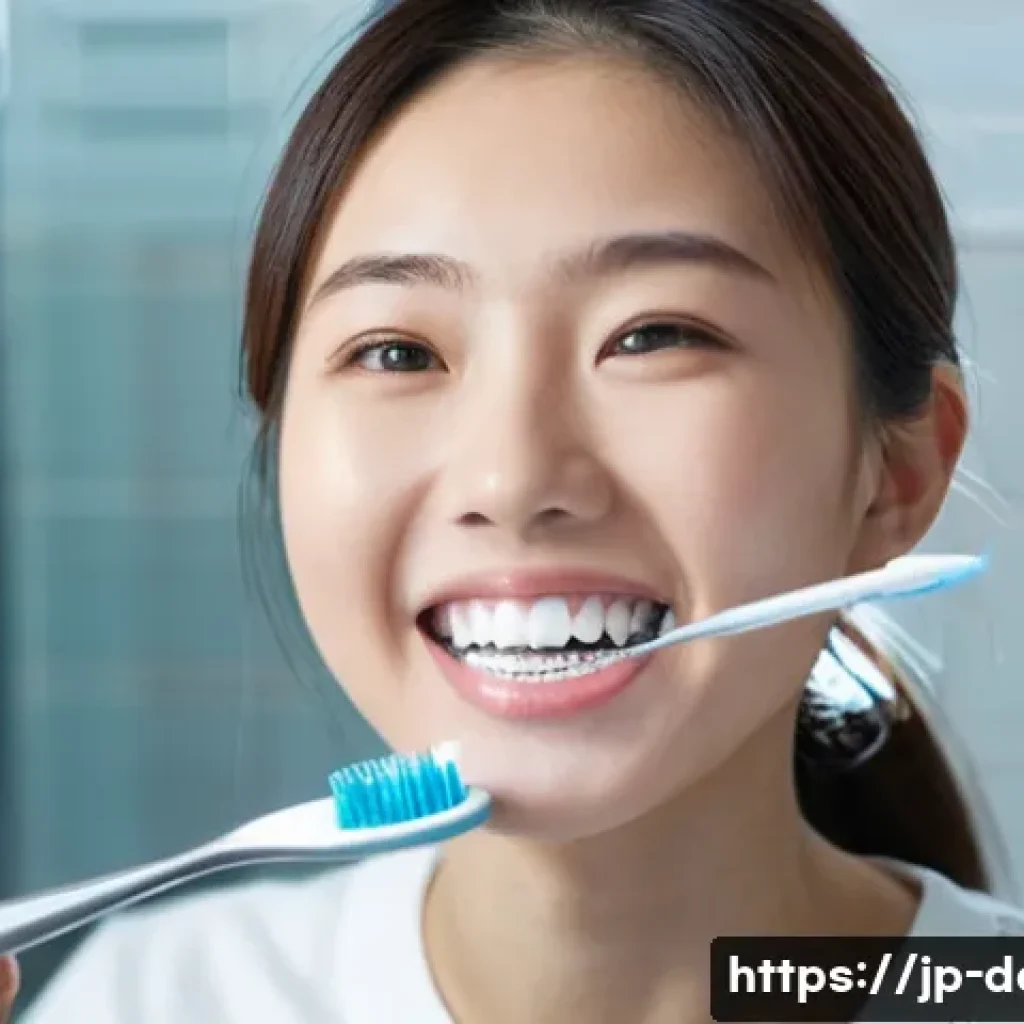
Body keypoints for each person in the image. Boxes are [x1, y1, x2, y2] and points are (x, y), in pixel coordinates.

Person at [9, 0, 1024, 1020]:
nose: (510, 478)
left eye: (654, 335)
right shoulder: (150, 997)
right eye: (398, 352)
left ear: (893, 470)